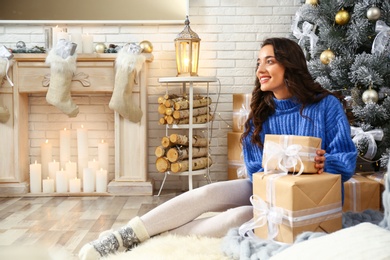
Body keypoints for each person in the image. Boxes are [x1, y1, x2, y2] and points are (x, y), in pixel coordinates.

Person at [79, 37, 357, 259]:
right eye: (258, 62)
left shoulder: (325, 105)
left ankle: (151, 242)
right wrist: (278, 170)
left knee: (238, 216)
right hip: (266, 188)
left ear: (290, 65)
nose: (260, 70)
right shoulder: (263, 109)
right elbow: (254, 169)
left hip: (305, 203)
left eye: (269, 62)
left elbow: (346, 160)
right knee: (209, 191)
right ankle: (124, 236)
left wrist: (325, 163)